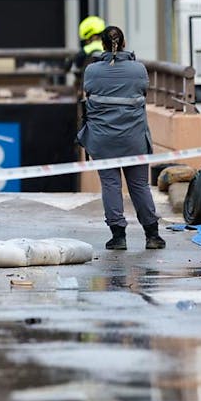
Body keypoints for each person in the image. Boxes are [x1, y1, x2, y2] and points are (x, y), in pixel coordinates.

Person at [77, 25, 166, 251]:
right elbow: (143, 92)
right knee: (139, 186)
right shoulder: (139, 69)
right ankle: (152, 235)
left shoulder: (92, 71)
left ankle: (118, 237)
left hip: (102, 139)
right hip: (134, 138)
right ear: (124, 43)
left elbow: (89, 93)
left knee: (110, 185)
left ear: (103, 45)